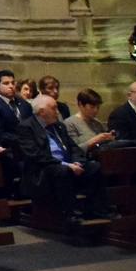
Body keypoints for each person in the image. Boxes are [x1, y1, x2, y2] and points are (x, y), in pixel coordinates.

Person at [15, 95, 112, 224]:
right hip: (41, 172)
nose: (58, 112)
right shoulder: (26, 127)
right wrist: (66, 164)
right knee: (61, 170)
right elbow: (35, 155)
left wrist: (77, 161)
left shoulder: (59, 126)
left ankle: (97, 210)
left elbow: (74, 148)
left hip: (67, 166)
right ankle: (69, 214)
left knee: (94, 167)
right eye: (54, 108)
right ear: (42, 111)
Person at [64, 88, 117, 153]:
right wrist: (95, 140)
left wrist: (109, 137)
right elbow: (74, 150)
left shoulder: (97, 123)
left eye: (98, 107)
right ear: (81, 104)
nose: (96, 110)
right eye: (92, 107)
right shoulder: (70, 123)